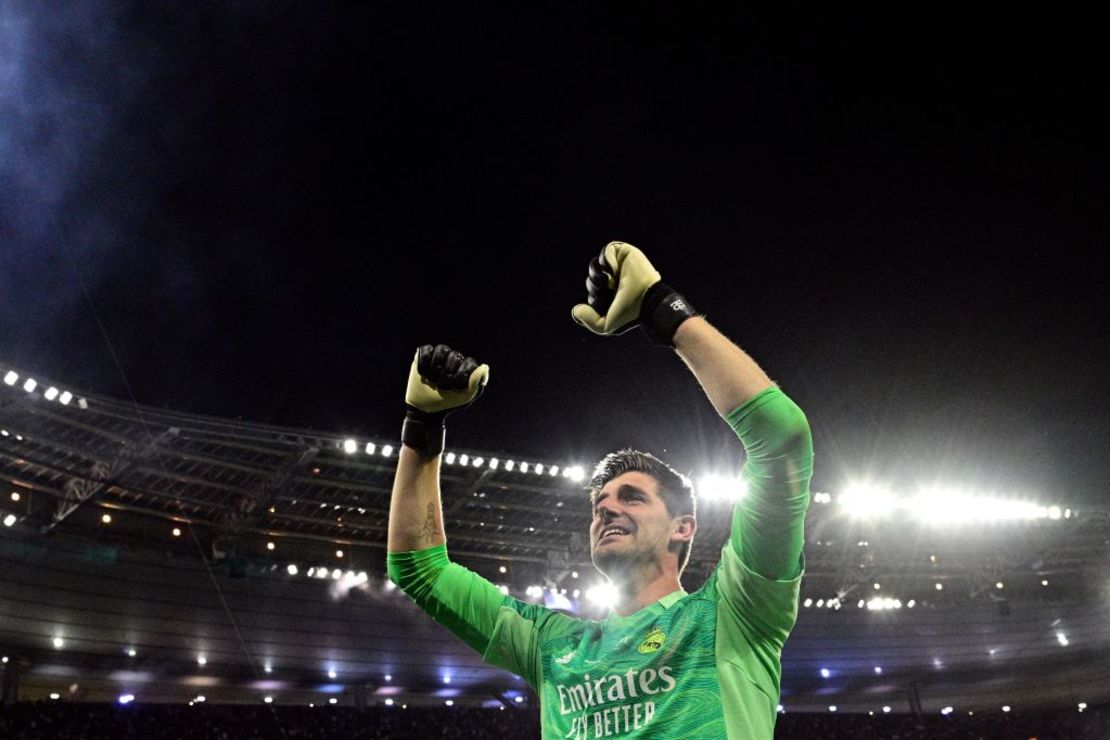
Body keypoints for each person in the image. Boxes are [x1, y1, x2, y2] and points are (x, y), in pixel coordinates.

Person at [387, 242, 813, 739]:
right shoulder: (551, 644)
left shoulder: (735, 612)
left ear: (683, 527)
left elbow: (781, 439)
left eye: (632, 496)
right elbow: (419, 569)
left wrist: (660, 307)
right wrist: (422, 426)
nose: (607, 507)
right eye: (599, 503)